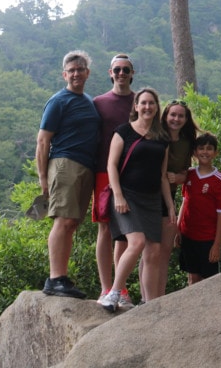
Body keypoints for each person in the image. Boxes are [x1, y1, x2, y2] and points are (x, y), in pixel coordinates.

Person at [101, 88, 175, 311]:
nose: (147, 107)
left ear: (156, 107)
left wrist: (170, 206)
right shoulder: (123, 132)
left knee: (153, 251)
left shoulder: (162, 139)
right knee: (136, 242)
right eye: (143, 103)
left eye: (151, 103)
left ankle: (150, 303)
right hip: (128, 196)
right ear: (136, 106)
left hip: (152, 200)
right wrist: (119, 195)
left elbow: (162, 176)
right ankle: (114, 292)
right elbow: (111, 165)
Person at [36, 50, 100, 299]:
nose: (76, 74)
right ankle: (55, 279)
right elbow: (42, 141)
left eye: (80, 69)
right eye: (71, 70)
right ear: (64, 74)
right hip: (64, 163)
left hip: (85, 166)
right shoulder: (58, 101)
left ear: (87, 73)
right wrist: (43, 178)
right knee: (63, 221)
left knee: (71, 222)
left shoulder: (88, 101)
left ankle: (61, 277)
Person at [91, 53, 135, 306]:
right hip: (102, 172)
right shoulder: (98, 103)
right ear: (110, 72)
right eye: (117, 69)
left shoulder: (139, 101)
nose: (121, 73)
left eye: (125, 70)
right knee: (105, 228)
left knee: (128, 231)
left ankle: (122, 289)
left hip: (132, 172)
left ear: (132, 73)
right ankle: (105, 288)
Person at [151, 99, 200, 298]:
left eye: (180, 116)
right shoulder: (156, 136)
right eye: (172, 115)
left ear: (186, 119)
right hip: (148, 194)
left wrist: (180, 177)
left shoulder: (187, 141)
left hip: (168, 196)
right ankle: (143, 297)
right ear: (165, 116)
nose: (176, 119)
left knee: (164, 251)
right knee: (148, 250)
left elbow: (188, 171)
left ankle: (159, 297)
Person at [178, 132, 221, 285]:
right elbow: (184, 202)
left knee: (208, 280)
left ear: (215, 153)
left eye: (209, 148)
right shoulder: (189, 174)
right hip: (188, 235)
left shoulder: (220, 179)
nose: (205, 152)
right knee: (192, 276)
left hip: (207, 238)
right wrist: (178, 229)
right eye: (201, 148)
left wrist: (216, 245)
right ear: (195, 152)